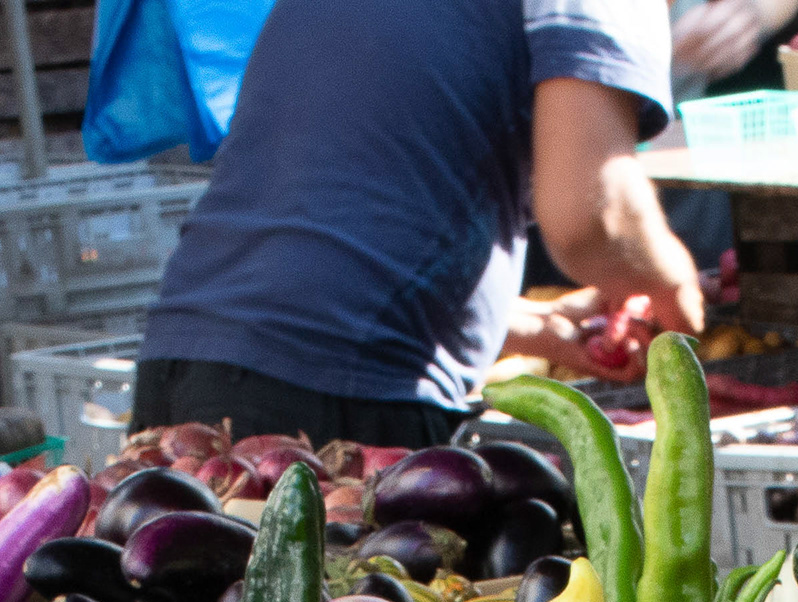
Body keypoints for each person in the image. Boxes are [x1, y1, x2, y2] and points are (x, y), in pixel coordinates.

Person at [133, 0, 705, 448]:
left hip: (181, 369)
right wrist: (673, 286)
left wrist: (530, 324)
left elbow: (342, 206)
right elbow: (591, 219)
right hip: (334, 405)